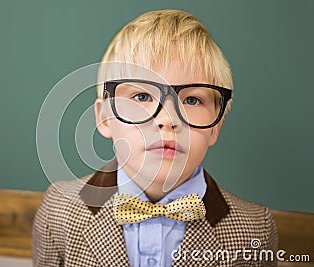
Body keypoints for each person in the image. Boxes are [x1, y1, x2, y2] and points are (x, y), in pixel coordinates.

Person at [33, 9, 278, 267]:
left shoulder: (255, 229)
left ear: (215, 126)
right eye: (142, 97)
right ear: (105, 118)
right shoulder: (58, 210)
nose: (168, 119)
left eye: (192, 99)